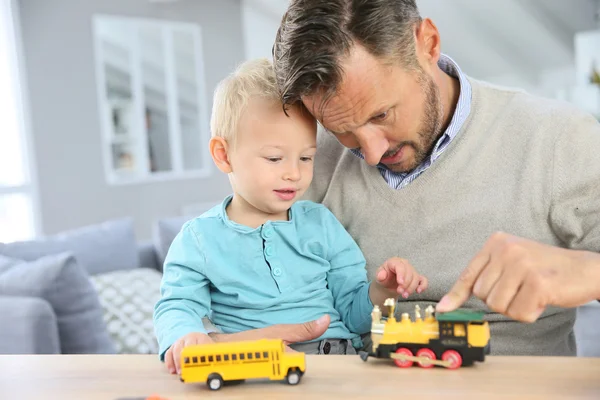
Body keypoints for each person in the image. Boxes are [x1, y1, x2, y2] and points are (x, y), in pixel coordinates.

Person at [265, 0, 600, 356]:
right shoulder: (303, 163)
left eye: (381, 114)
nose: (372, 153)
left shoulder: (557, 138)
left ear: (428, 43)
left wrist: (589, 272)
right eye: (342, 131)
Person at [153, 58, 428, 375]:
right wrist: (186, 336)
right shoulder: (199, 239)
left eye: (306, 157)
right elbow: (176, 305)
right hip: (255, 368)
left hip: (338, 361)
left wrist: (383, 292)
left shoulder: (321, 223)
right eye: (274, 158)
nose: (294, 173)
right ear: (223, 154)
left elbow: (354, 315)